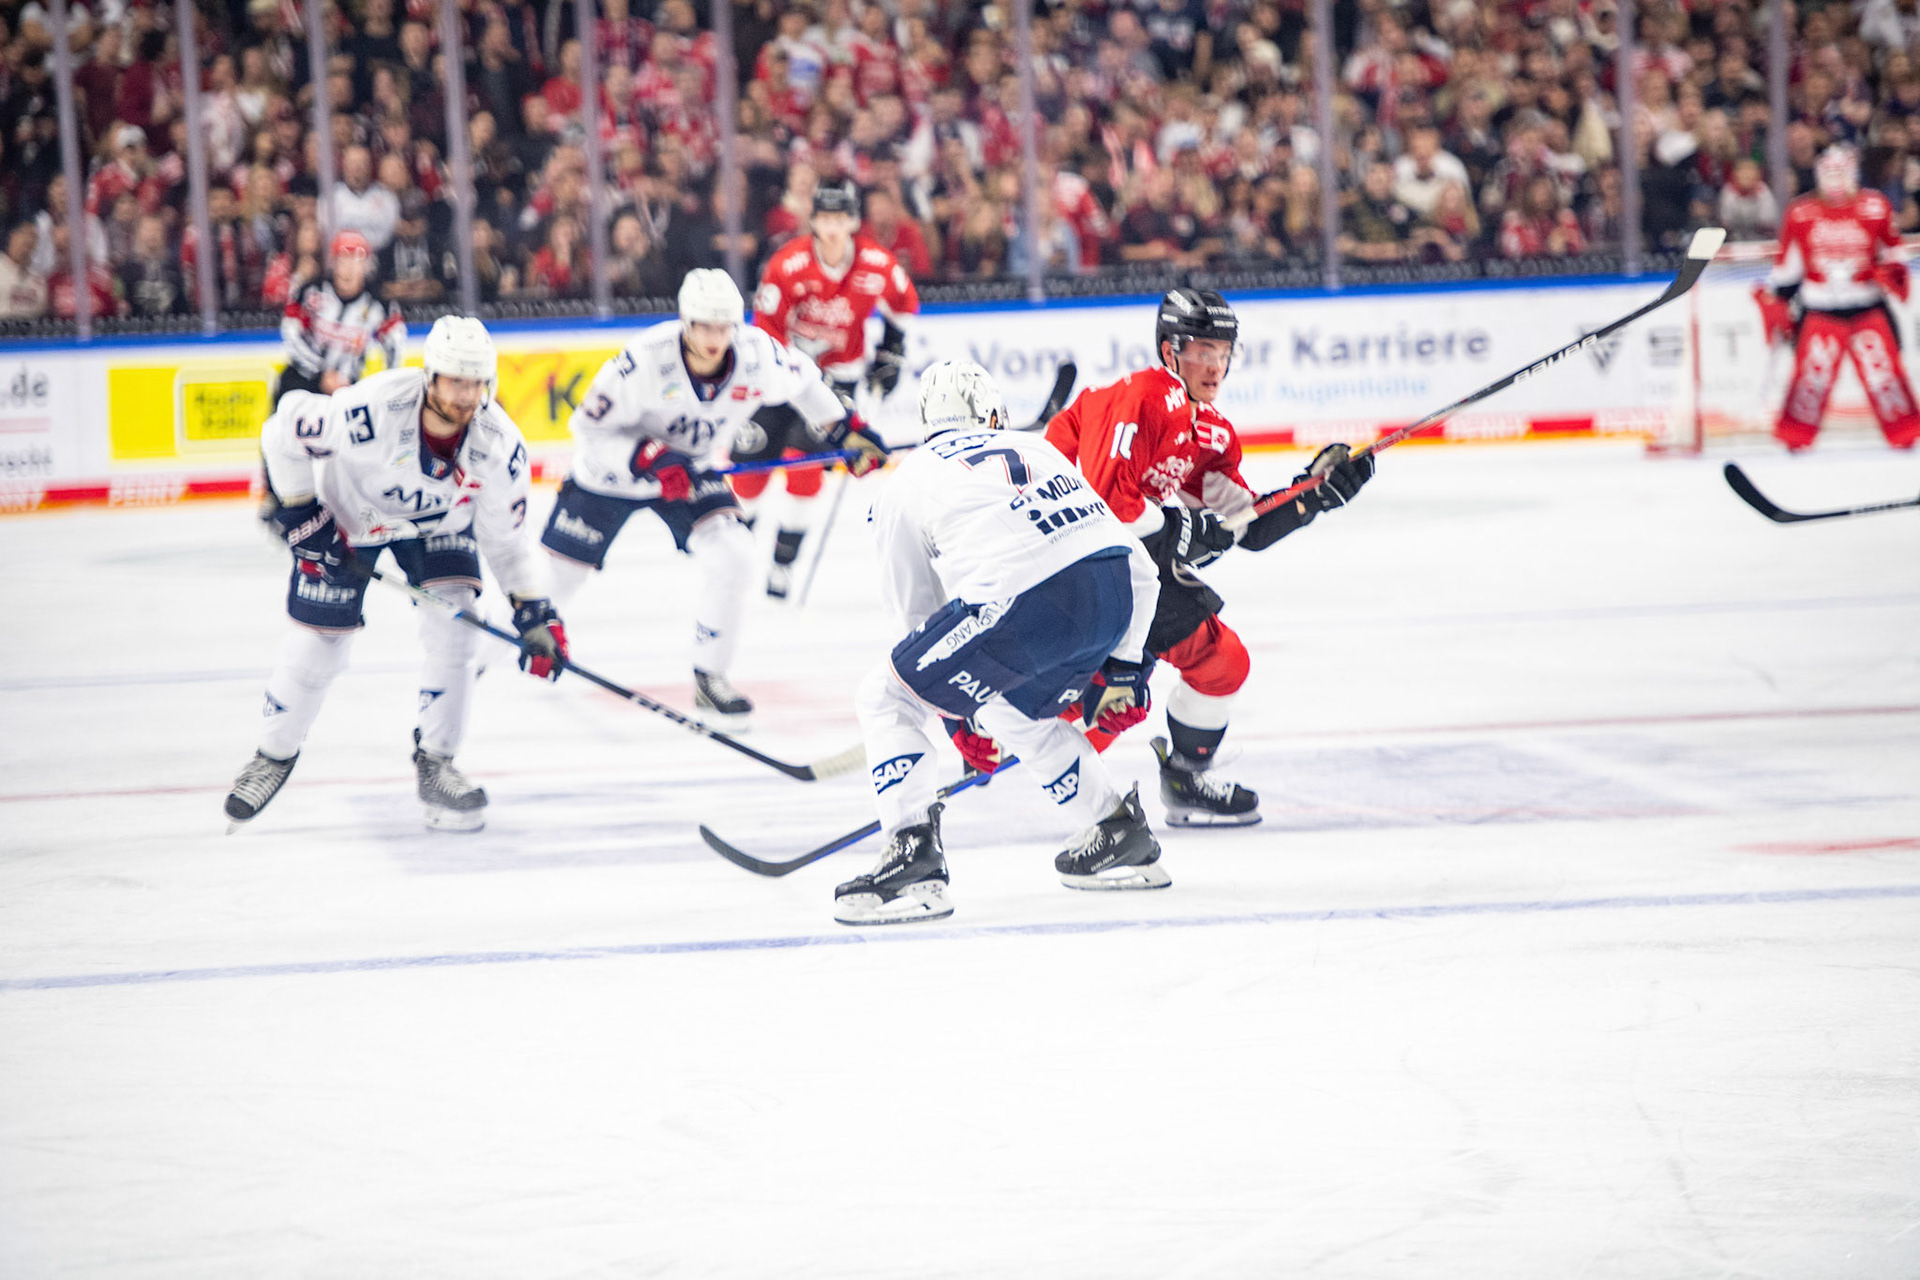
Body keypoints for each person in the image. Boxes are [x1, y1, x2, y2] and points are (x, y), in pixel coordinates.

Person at [836, 360, 1167, 926]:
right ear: (995, 415)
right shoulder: (1040, 449)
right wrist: (1125, 668)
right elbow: (1140, 567)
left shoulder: (907, 481)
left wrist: (951, 713)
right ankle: (1115, 827)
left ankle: (912, 850)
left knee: (885, 696)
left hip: (1022, 606)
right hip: (1111, 594)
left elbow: (914, 622)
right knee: (1006, 704)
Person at [1045, 289, 1375, 825]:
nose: (1215, 366)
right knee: (1093, 708)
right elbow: (1105, 507)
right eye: (1202, 351)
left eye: (1223, 352)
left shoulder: (1210, 432)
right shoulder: (1144, 396)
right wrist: (1185, 531)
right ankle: (998, 737)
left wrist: (1312, 495)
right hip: (1069, 559)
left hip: (1130, 566)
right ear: (1169, 351)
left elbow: (1245, 524)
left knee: (1220, 663)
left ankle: (1185, 776)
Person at [225, 317, 568, 833]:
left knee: (458, 629)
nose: (465, 395)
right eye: (455, 381)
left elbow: (506, 541)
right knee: (319, 645)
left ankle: (437, 762)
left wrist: (533, 608)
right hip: (349, 519)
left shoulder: (500, 446)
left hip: (437, 527)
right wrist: (301, 513)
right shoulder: (372, 408)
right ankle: (273, 755)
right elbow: (283, 429)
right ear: (430, 376)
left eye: (475, 382)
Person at [535, 269, 888, 724]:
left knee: (734, 555)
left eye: (724, 327)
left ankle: (710, 674)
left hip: (689, 471)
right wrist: (648, 457)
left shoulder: (758, 355)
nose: (715, 338)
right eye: (704, 326)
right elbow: (587, 430)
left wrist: (844, 429)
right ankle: (493, 650)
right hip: (610, 478)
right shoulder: (643, 360)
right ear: (686, 322)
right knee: (559, 582)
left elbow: (804, 383)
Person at [740, 179, 921, 597]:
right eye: (825, 219)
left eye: (841, 219)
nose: (833, 228)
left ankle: (783, 562)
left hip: (838, 379)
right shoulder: (787, 264)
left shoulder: (877, 264)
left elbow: (904, 304)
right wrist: (789, 370)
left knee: (805, 471)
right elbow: (765, 329)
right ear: (814, 221)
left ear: (853, 221)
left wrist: (891, 351)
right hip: (781, 376)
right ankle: (736, 547)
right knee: (749, 470)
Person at [1755, 145, 1920, 451]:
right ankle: (1795, 437)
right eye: (1829, 173)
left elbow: (1894, 254)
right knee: (1811, 378)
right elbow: (1788, 267)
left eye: (1841, 172)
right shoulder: (1800, 212)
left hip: (1867, 306)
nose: (1835, 180)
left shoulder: (1876, 206)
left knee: (1884, 374)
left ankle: (1905, 433)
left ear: (1853, 173)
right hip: (1820, 309)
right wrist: (1776, 298)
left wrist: (1889, 273)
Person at [277, 230, 406, 405]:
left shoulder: (380, 305)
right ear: (333, 262)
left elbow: (395, 347)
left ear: (367, 265)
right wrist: (320, 373)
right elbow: (291, 335)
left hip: (347, 391)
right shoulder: (310, 292)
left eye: (356, 261)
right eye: (343, 260)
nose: (349, 269)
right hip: (301, 382)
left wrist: (388, 387)